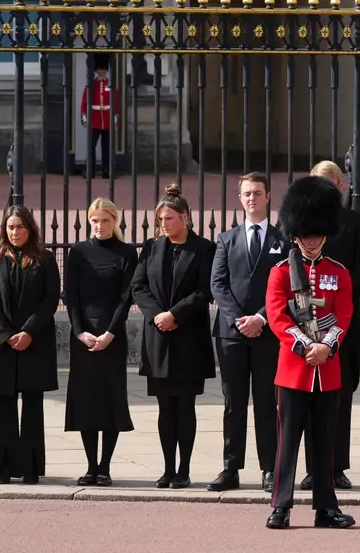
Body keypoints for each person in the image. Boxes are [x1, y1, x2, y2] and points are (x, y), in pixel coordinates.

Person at [265, 175, 356, 530]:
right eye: (306, 234)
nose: (312, 240)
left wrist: (326, 345)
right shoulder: (281, 273)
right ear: (296, 233)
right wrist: (305, 346)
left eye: (317, 234)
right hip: (294, 369)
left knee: (324, 444)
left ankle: (326, 507)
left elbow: (344, 313)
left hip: (327, 370)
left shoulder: (339, 273)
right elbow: (277, 315)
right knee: (288, 443)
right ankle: (281, 505)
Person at [132, 184, 216, 490]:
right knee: (165, 406)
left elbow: (205, 290)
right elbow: (138, 286)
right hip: (158, 338)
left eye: (169, 218)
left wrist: (175, 315)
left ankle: (184, 469)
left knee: (185, 406)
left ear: (184, 217)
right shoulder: (151, 248)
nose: (164, 225)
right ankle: (167, 468)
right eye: (160, 220)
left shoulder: (204, 249)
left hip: (189, 338)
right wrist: (157, 314)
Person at [208, 172, 288, 493]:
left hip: (268, 334)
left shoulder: (282, 241)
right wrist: (241, 318)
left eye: (257, 192)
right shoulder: (227, 239)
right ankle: (231, 468)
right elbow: (218, 284)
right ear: (239, 198)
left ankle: (270, 468)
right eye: (246, 193)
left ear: (268, 196)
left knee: (267, 402)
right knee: (233, 403)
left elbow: (287, 288)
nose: (252, 198)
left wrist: (261, 318)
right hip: (232, 333)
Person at [302, 160, 360, 491]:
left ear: (340, 186)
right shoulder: (303, 220)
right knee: (308, 395)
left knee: (340, 396)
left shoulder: (358, 223)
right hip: (306, 321)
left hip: (341, 321)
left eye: (329, 184)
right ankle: (312, 467)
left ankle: (336, 465)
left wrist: (335, 308)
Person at [0, 205, 61, 485]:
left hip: (34, 341)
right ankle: (3, 466)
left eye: (21, 227)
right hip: (2, 343)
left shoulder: (45, 260)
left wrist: (28, 332)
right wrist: (5, 333)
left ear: (31, 229)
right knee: (5, 405)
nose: (15, 232)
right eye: (11, 227)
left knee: (33, 406)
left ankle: (30, 467)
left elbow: (49, 300)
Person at [65, 198, 138, 486]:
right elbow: (71, 295)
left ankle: (105, 466)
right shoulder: (78, 252)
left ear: (114, 221)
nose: (100, 225)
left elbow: (125, 298)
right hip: (84, 337)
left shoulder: (126, 253)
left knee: (109, 401)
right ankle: (90, 465)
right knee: (86, 402)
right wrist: (80, 332)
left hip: (112, 336)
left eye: (105, 220)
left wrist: (110, 333)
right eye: (95, 220)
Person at [80, 57, 114, 178]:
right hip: (94, 120)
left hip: (107, 120)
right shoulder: (91, 84)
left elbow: (115, 103)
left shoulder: (110, 84)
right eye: (100, 69)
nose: (102, 71)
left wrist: (114, 120)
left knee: (107, 148)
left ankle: (107, 171)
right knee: (91, 148)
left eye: (104, 69)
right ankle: (90, 171)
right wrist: (84, 119)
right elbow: (84, 102)